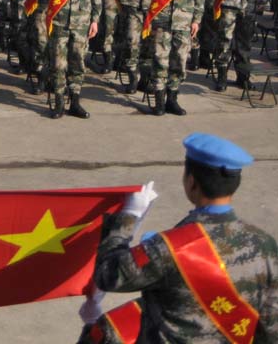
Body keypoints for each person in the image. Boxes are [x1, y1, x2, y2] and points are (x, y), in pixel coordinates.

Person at [79, 133, 278, 343]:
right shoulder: (264, 244)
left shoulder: (168, 247)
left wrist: (128, 216)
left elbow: (108, 275)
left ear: (191, 182)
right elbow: (271, 324)